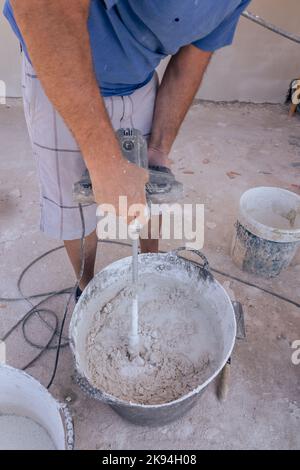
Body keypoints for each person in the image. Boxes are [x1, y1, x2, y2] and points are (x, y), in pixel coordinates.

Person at [4, 0, 250, 297]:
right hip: (61, 74)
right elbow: (44, 7)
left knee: (149, 191)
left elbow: (193, 58)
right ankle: (88, 290)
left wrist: (158, 150)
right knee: (75, 208)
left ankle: (148, 271)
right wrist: (104, 162)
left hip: (138, 79)